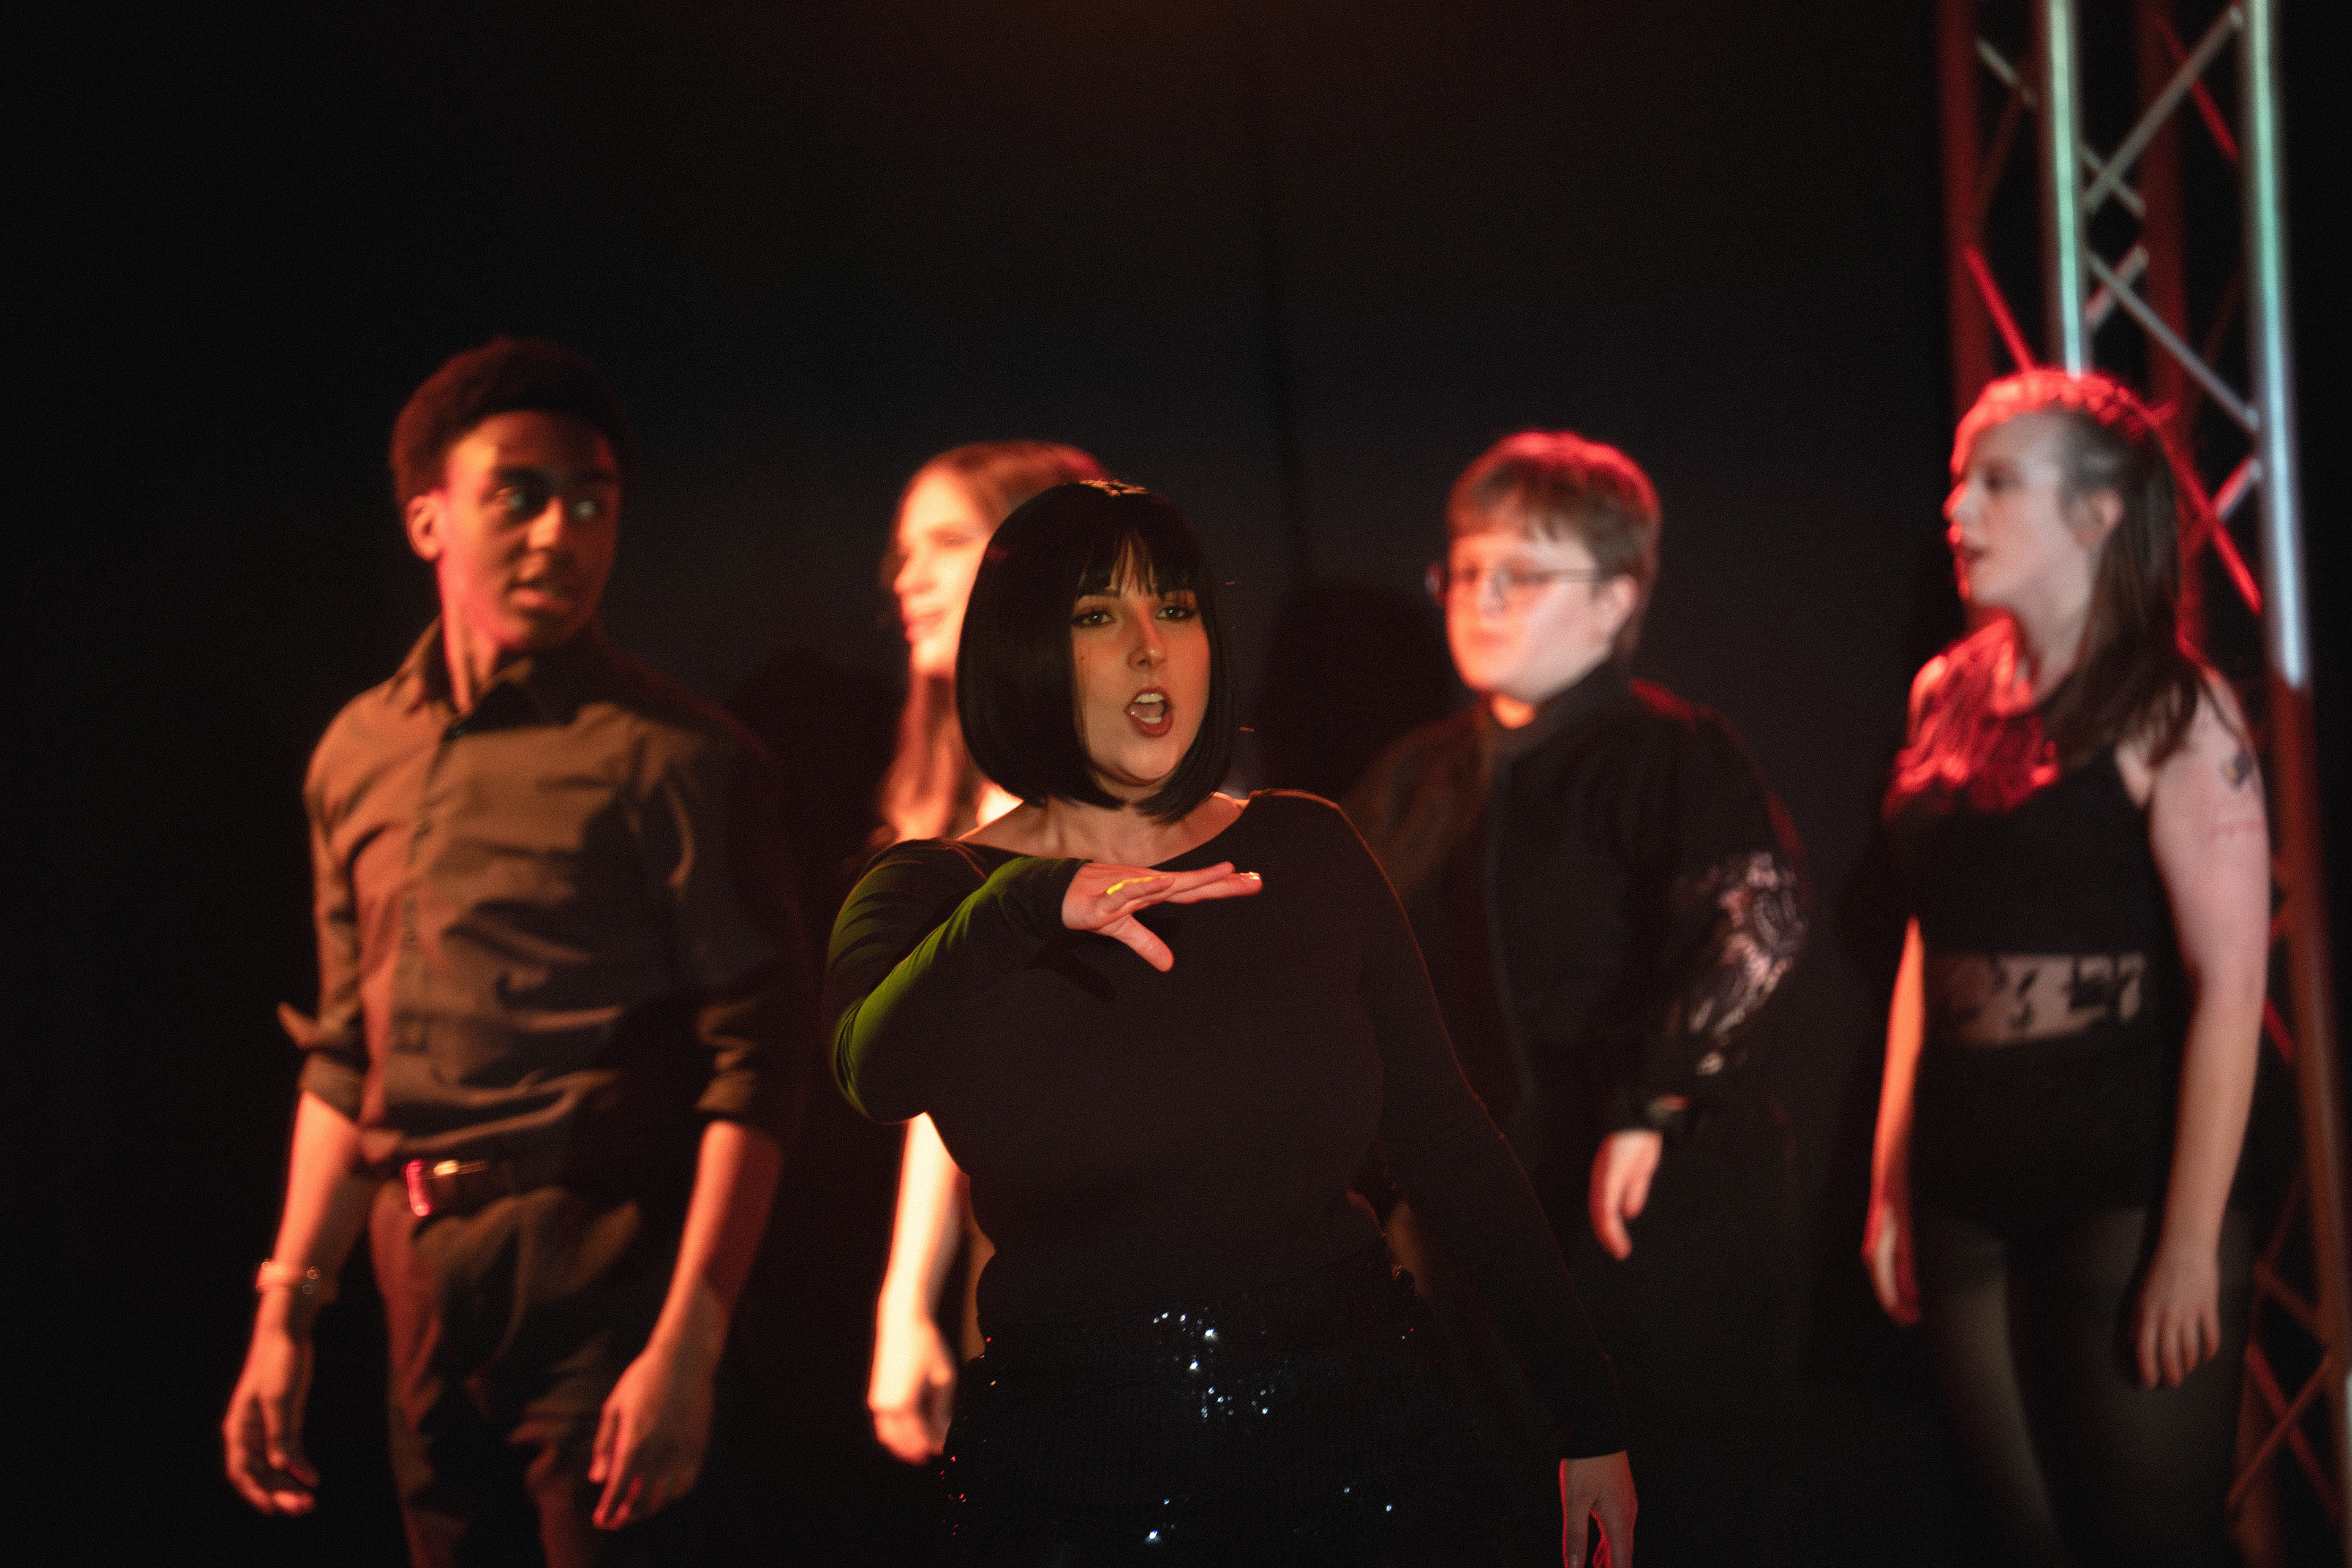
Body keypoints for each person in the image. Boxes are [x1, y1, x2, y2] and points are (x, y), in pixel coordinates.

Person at [826, 480, 1636, 1565]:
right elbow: (872, 1073)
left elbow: (1447, 1141)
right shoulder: (931, 892)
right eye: (1098, 614)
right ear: (1023, 650)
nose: (1151, 645)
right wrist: (1027, 906)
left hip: (1365, 1447)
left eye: (1176, 607)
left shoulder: (1303, 847)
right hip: (1082, 1478)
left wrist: (1588, 1417)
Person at [221, 338, 813, 1566]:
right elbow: (346, 1056)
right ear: (428, 517)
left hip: (606, 1272)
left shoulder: (679, 758)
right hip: (420, 1274)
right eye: (521, 496)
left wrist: (690, 1338)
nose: (561, 532)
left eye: (592, 502)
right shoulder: (357, 752)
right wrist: (288, 1310)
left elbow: (759, 1065)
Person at [1344, 431, 1806, 1566]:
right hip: (1477, 1231)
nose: (1483, 598)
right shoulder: (1415, 774)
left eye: (1522, 573)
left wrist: (1651, 1105)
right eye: (1466, 570)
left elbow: (1754, 928)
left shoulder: (1672, 753)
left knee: (1667, 1516)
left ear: (1615, 599)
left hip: (1647, 1219)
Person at [1863, 370, 2267, 1565]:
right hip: (1963, 1182)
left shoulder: (2173, 706)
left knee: (2148, 1541)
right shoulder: (1946, 694)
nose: (1957, 511)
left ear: (2096, 515)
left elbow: (2232, 986)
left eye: (1995, 483)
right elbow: (1932, 942)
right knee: (2022, 1542)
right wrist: (1892, 1175)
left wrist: (2188, 1240)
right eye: (1958, 482)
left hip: (2120, 1184)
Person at [861, 441, 1108, 1467]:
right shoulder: (965, 803)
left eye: (947, 541)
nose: (907, 577)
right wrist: (906, 1300)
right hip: (1021, 1260)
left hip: (1129, 1270)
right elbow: (945, 1074)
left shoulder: (1123, 785)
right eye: (904, 550)